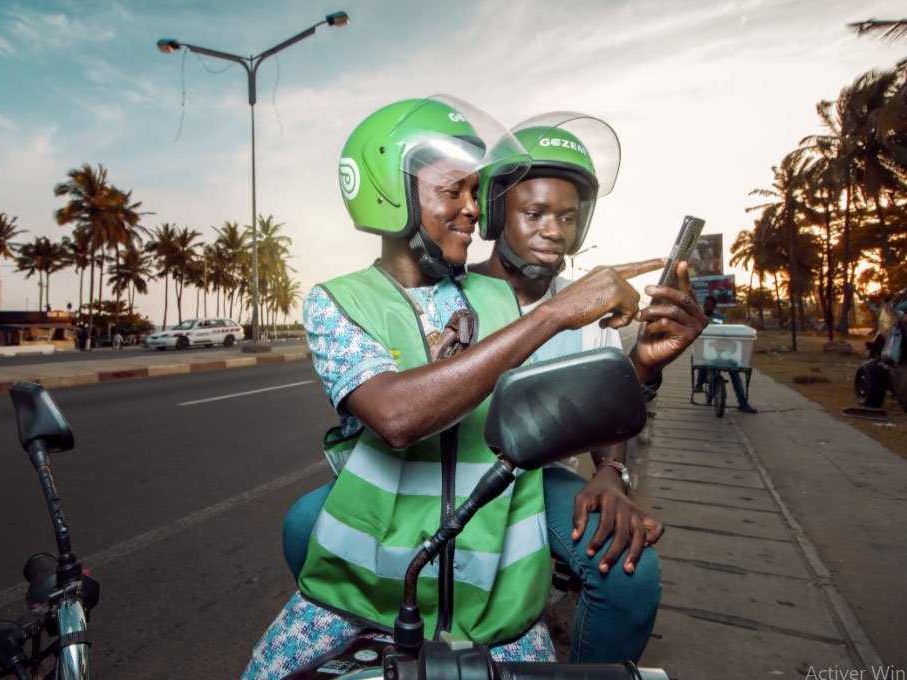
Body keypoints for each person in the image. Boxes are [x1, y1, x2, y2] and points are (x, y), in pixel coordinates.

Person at [245, 96, 662, 678]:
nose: (474, 212)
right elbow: (394, 416)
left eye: (476, 193)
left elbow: (573, 403)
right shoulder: (337, 302)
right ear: (390, 192)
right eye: (454, 192)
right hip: (358, 601)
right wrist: (554, 313)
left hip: (499, 611)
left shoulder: (497, 297)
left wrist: (641, 364)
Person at [469, 113, 706, 662]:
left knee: (629, 575)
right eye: (534, 212)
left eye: (569, 216)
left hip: (530, 477)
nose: (555, 230)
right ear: (496, 209)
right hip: (441, 470)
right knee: (304, 525)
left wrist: (610, 471)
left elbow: (606, 417)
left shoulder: (597, 304)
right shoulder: (448, 291)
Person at [694, 295, 757, 413]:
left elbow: (726, 332)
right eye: (705, 304)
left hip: (723, 351)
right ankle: (699, 384)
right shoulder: (699, 318)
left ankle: (742, 403)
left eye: (709, 305)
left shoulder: (720, 318)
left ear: (714, 306)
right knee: (700, 361)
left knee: (735, 372)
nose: (706, 307)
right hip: (707, 351)